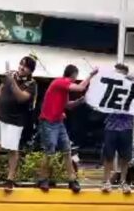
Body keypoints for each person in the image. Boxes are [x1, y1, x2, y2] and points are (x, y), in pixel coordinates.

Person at [0, 56, 38, 192]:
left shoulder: (32, 84)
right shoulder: (11, 75)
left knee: (12, 150)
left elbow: (21, 97)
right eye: (21, 64)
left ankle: (10, 179)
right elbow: (1, 88)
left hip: (15, 120)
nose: (21, 68)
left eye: (25, 66)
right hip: (0, 115)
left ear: (30, 70)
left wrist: (12, 83)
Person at [37, 64, 97, 193]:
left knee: (67, 150)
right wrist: (91, 75)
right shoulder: (61, 82)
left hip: (58, 122)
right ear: (73, 75)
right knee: (50, 150)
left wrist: (79, 102)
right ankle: (43, 178)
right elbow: (81, 87)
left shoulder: (63, 89)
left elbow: (67, 106)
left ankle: (72, 180)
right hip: (49, 121)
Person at [101, 64, 134, 194]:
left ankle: (123, 182)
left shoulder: (132, 87)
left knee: (125, 157)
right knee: (108, 155)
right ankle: (106, 182)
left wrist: (131, 78)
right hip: (111, 125)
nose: (116, 75)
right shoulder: (109, 87)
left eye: (118, 73)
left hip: (127, 126)